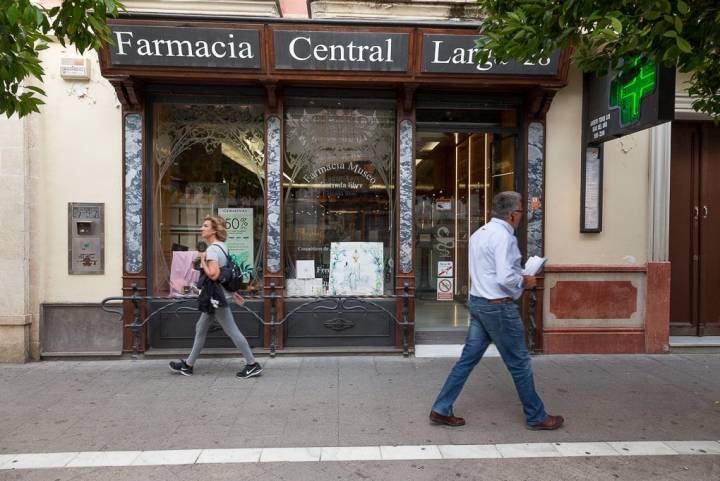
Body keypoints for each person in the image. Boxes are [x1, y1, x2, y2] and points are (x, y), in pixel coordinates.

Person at [429, 191, 563, 430]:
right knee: (520, 362)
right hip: (498, 307)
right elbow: (504, 276)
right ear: (512, 214)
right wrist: (525, 281)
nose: (521, 216)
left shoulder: (479, 234)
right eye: (521, 211)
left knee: (467, 360)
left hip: (479, 302)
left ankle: (441, 408)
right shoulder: (504, 237)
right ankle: (536, 416)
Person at [169, 215, 263, 379]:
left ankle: (252, 364)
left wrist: (204, 260)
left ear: (213, 230)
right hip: (218, 296)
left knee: (233, 331)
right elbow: (224, 273)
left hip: (218, 299)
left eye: (205, 226)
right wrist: (232, 292)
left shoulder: (212, 250)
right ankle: (188, 365)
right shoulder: (222, 247)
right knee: (200, 328)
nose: (201, 228)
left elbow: (214, 275)